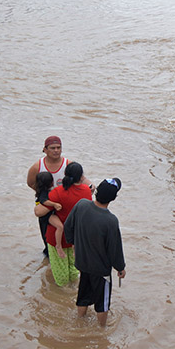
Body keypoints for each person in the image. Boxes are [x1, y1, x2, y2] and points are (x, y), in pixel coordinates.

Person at [63, 178, 126, 327]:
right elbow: (114, 249)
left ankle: (80, 321)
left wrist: (73, 244)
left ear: (96, 191)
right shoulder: (110, 220)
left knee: (83, 294)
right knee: (102, 302)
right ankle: (101, 330)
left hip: (82, 263)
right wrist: (120, 267)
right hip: (100, 270)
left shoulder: (81, 205)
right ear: (113, 198)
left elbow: (67, 226)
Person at [40, 162, 93, 287]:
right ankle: (72, 295)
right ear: (81, 176)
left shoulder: (57, 192)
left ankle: (58, 298)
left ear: (65, 174)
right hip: (75, 238)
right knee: (74, 272)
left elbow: (39, 212)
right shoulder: (86, 191)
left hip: (57, 237)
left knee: (60, 273)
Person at [27, 136, 69, 253]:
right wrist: (44, 194)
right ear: (45, 150)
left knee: (65, 233)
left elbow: (79, 179)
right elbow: (30, 183)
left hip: (62, 205)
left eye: (58, 148)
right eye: (52, 148)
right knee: (46, 234)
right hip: (46, 205)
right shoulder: (37, 166)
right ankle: (48, 257)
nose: (56, 150)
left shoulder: (68, 164)